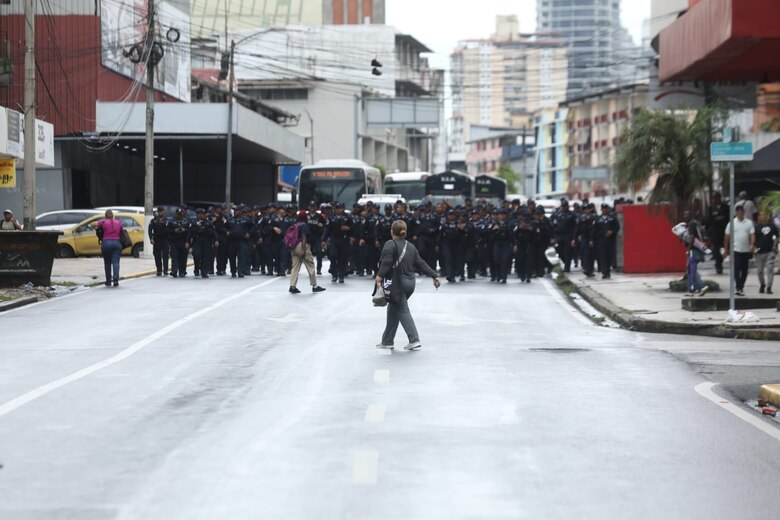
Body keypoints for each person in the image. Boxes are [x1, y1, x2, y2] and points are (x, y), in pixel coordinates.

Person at [375, 220, 440, 351]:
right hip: (410, 282)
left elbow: (387, 262)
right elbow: (420, 263)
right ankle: (387, 341)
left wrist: (379, 276)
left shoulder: (389, 244)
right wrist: (434, 275)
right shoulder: (411, 246)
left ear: (392, 232)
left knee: (402, 309)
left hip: (398, 283)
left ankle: (414, 340)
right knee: (393, 309)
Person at [288, 211, 327, 294]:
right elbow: (304, 237)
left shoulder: (295, 224)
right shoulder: (304, 225)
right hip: (302, 245)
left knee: (295, 267)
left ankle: (292, 286)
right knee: (310, 265)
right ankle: (314, 286)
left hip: (293, 246)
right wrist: (304, 249)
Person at [723, 205, 755, 296]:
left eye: (742, 212)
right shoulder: (732, 223)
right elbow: (727, 237)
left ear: (744, 213)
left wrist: (752, 244)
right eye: (739, 213)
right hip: (735, 250)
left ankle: (741, 286)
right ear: (736, 213)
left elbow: (752, 234)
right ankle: (738, 286)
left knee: (744, 270)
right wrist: (726, 249)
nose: (741, 214)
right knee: (736, 268)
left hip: (745, 250)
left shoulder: (749, 223)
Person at [92, 209, 123, 287]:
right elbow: (121, 230)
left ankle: (108, 281)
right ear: (113, 215)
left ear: (105, 215)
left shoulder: (103, 222)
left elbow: (92, 224)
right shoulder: (118, 222)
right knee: (116, 262)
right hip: (117, 243)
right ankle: (116, 280)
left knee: (107, 263)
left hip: (106, 243)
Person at [754, 211, 778, 294]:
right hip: (759, 252)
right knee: (760, 271)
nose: (763, 217)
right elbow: (753, 238)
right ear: (758, 217)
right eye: (761, 215)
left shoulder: (772, 226)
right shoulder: (756, 227)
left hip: (769, 251)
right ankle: (762, 284)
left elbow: (776, 236)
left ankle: (769, 286)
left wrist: (775, 244)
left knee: (770, 269)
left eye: (764, 215)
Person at [168, 208, 191, 277]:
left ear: (183, 214)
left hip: (184, 242)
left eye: (180, 214)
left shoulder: (186, 222)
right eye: (178, 214)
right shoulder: (171, 222)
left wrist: (187, 241)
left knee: (183, 257)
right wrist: (174, 231)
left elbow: (190, 232)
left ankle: (182, 271)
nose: (179, 215)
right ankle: (174, 270)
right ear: (176, 214)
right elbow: (167, 231)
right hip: (174, 242)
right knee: (174, 256)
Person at [148, 207, 170, 276]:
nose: (160, 213)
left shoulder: (167, 220)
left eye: (162, 211)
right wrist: (151, 238)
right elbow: (150, 230)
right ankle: (159, 270)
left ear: (164, 212)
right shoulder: (153, 221)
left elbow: (170, 230)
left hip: (165, 240)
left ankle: (166, 270)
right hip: (157, 240)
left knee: (165, 255)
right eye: (159, 211)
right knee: (157, 255)